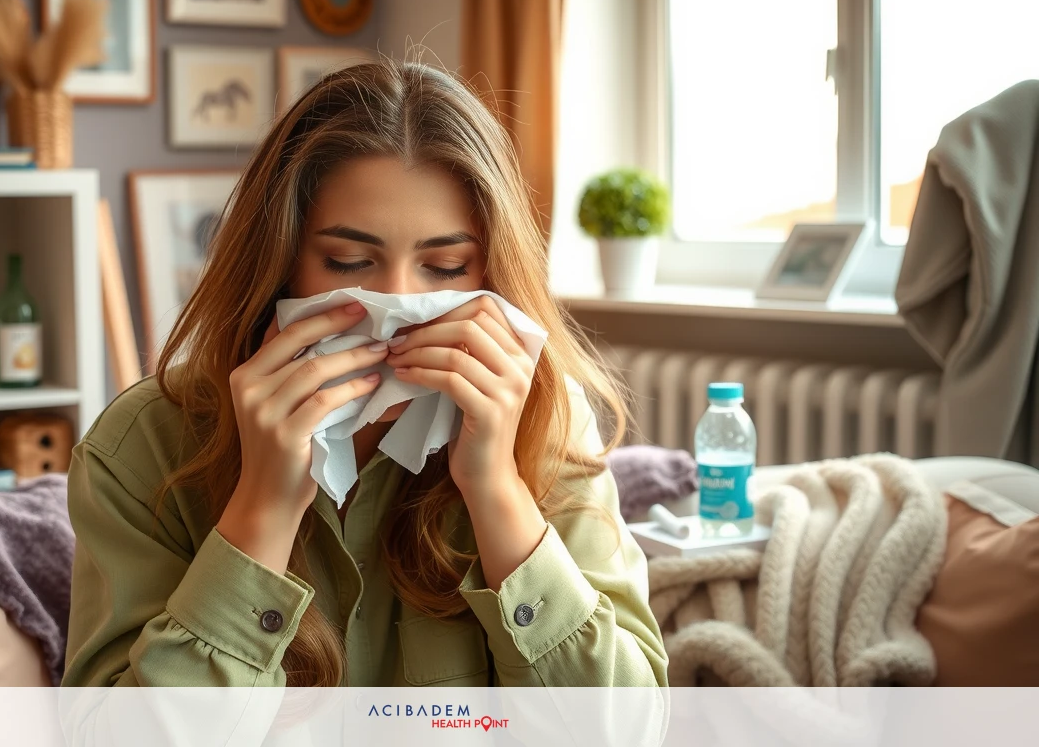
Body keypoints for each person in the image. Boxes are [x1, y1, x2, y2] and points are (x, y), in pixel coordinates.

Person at [62, 58, 668, 688]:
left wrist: (496, 490)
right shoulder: (141, 446)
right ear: (281, 264)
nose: (396, 309)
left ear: (490, 274)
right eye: (349, 261)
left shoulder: (546, 418)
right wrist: (262, 510)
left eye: (445, 268)